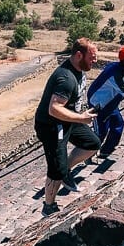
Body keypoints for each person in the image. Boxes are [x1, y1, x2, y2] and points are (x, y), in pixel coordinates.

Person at [34, 38, 100, 216]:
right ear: (79, 55)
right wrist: (81, 117)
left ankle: (66, 169)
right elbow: (54, 108)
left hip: (69, 119)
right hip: (51, 125)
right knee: (56, 169)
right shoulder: (66, 78)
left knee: (92, 144)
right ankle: (49, 205)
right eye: (92, 57)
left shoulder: (79, 69)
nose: (95, 61)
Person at [87, 46, 124, 156]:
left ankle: (106, 150)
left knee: (118, 124)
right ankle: (87, 153)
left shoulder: (119, 69)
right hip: (100, 105)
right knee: (101, 132)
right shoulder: (116, 74)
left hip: (111, 103)